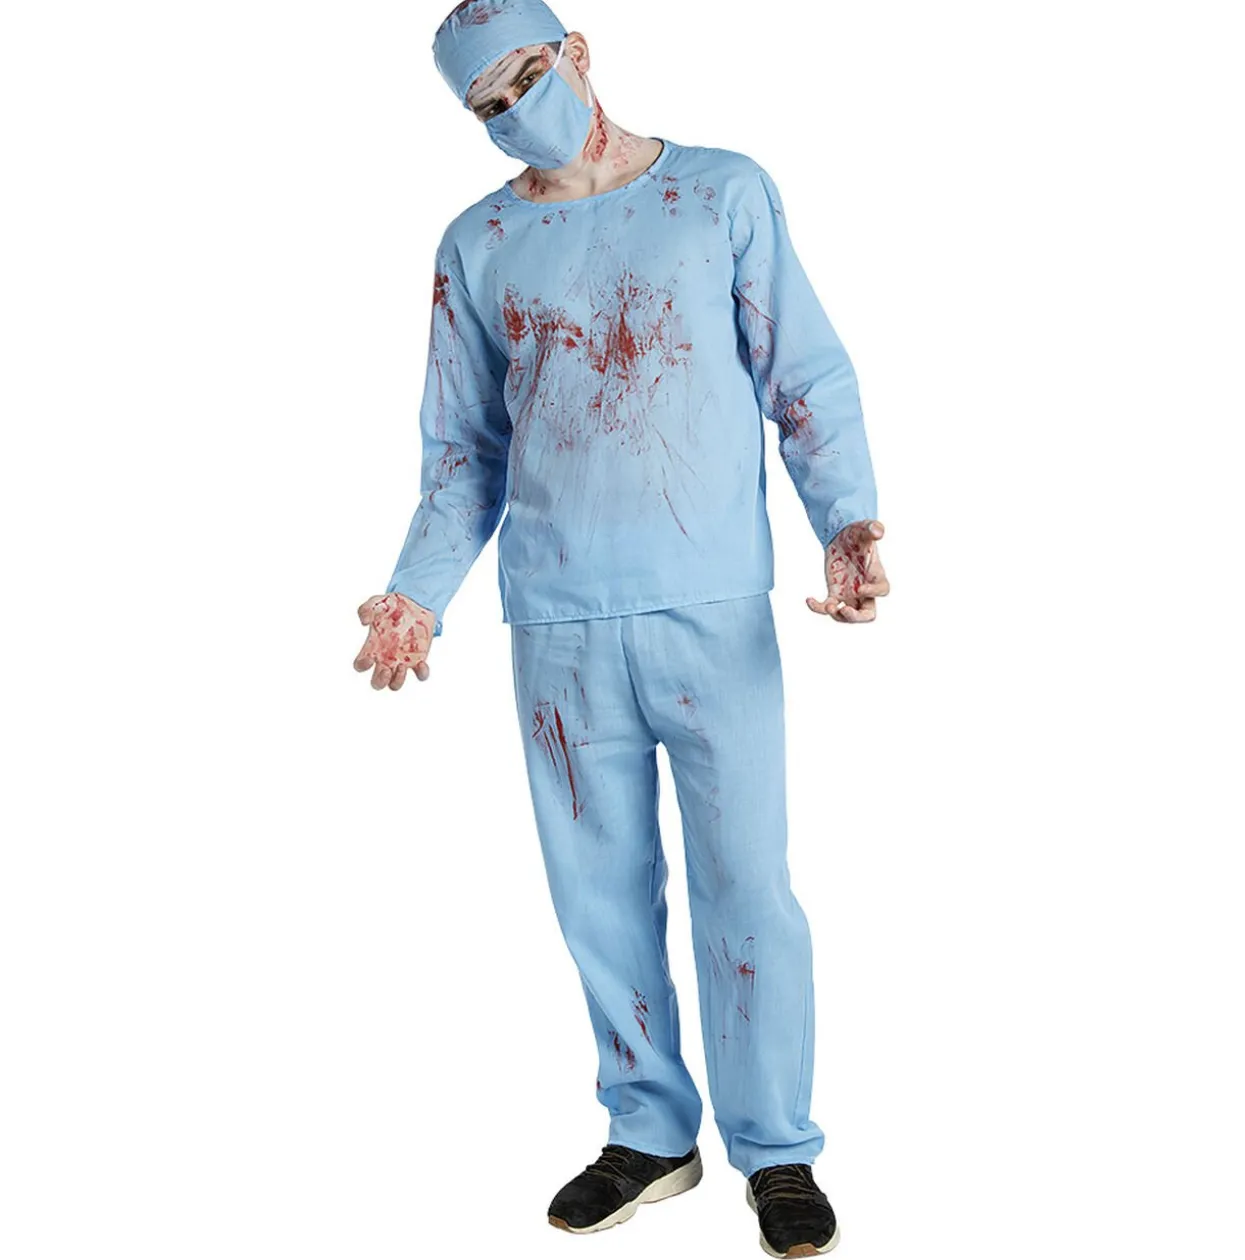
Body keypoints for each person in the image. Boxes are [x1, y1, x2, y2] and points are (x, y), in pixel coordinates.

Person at [353, 2, 890, 1254]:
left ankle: (777, 1148)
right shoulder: (478, 244)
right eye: (484, 106)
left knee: (747, 886)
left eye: (522, 79)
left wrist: (847, 520)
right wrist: (415, 593)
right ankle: (649, 1131)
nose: (510, 114)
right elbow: (464, 452)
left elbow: (802, 375)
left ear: (577, 54)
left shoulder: (720, 193)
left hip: (710, 606)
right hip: (557, 621)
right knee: (598, 894)